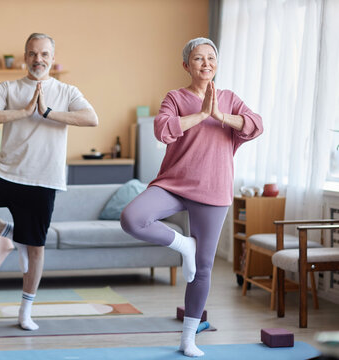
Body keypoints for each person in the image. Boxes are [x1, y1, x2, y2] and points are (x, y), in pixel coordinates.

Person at [120, 37, 263, 357]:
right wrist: (200, 115)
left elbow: (255, 125)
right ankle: (183, 244)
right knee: (132, 218)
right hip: (173, 183)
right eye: (198, 58)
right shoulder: (175, 97)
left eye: (211, 58)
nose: (206, 63)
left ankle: (188, 339)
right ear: (186, 65)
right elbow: (163, 129)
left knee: (203, 268)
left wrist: (220, 115)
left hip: (213, 189)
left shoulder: (229, 98)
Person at [0, 33, 98, 331]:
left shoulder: (67, 91)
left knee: (36, 249)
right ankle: (10, 231)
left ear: (52, 58)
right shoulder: (9, 87)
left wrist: (47, 113)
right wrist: (23, 112)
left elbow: (91, 118)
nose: (38, 59)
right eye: (32, 54)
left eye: (44, 54)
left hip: (43, 180)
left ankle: (25, 312)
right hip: (5, 172)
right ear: (25, 57)